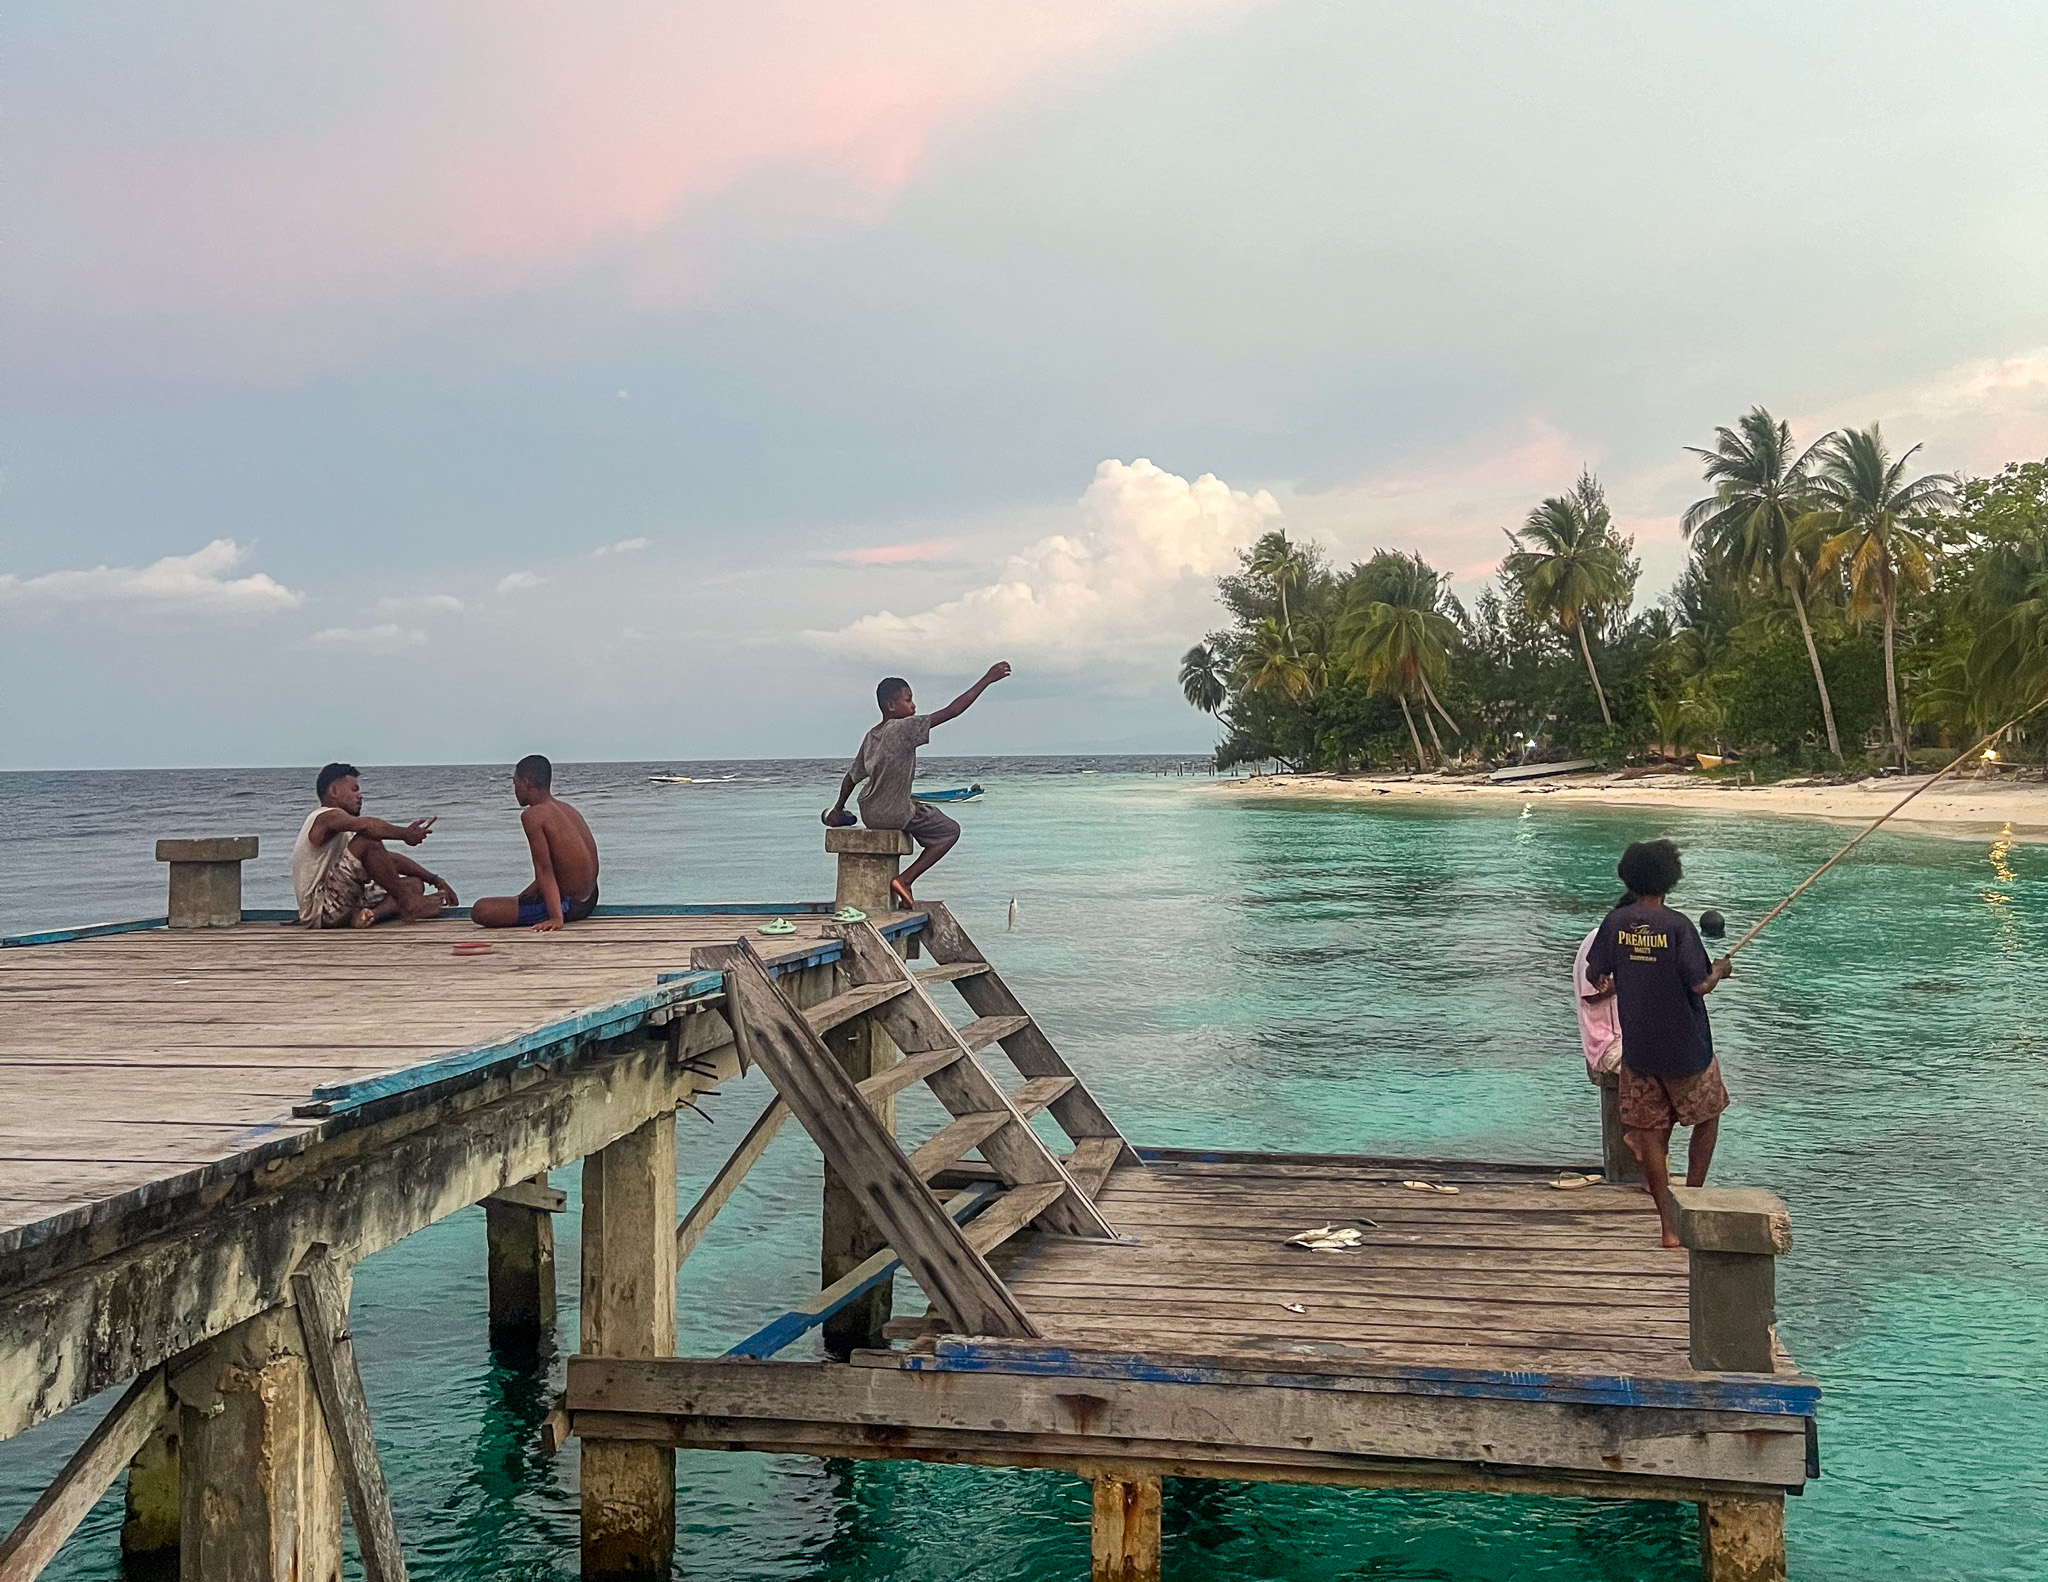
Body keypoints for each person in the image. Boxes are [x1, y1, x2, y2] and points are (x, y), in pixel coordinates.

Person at [1585, 840, 1735, 1248]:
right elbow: (1698, 985)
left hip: (1640, 1051)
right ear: (1671, 879)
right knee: (1708, 1116)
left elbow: (1598, 975)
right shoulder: (1678, 926)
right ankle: (1693, 1197)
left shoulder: (1614, 923)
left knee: (1650, 1135)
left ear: (1627, 878)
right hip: (1687, 1049)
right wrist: (1720, 969)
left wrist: (1628, 977)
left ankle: (1668, 1228)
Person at [822, 662, 1010, 906]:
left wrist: (838, 808)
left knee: (918, 808)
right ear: (891, 706)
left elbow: (851, 778)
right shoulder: (904, 728)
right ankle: (906, 879)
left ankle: (845, 819)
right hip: (894, 814)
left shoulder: (872, 736)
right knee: (949, 831)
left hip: (869, 813)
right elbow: (952, 711)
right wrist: (987, 679)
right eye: (908, 700)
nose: (914, 705)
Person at [292, 763, 457, 928]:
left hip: (344, 905)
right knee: (369, 839)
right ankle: (409, 905)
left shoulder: (344, 831)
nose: (360, 795)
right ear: (334, 791)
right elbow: (367, 826)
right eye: (354, 789)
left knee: (414, 884)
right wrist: (404, 834)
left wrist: (434, 879)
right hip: (321, 910)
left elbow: (389, 861)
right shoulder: (323, 817)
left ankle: (369, 916)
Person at [470, 755, 601, 931]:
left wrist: (555, 918)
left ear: (526, 783)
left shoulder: (533, 815)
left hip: (569, 906)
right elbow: (566, 868)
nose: (514, 790)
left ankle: (555, 912)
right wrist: (525, 895)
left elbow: (544, 870)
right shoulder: (568, 809)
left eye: (515, 784)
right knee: (519, 900)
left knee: (481, 910)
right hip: (590, 899)